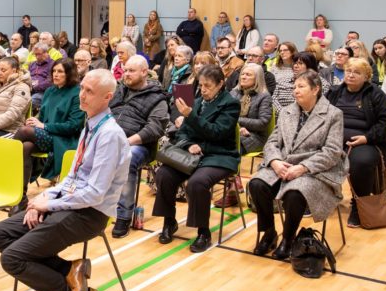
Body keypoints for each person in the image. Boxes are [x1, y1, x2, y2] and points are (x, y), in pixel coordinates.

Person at [0, 69, 130, 291]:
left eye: (90, 91)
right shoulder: (91, 124)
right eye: (82, 88)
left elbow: (94, 194)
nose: (82, 95)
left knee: (13, 259)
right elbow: (73, 176)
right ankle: (71, 271)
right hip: (69, 204)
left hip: (89, 214)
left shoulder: (110, 134)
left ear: (107, 97)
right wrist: (44, 198)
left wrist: (50, 206)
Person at [249, 71, 345, 260]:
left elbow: (332, 152)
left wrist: (302, 168)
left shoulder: (333, 114)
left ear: (316, 89)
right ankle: (269, 233)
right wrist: (275, 162)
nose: (295, 91)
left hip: (315, 170)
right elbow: (272, 142)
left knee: (295, 193)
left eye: (301, 87)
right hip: (283, 165)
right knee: (256, 184)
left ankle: (288, 238)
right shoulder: (287, 111)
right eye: (294, 87)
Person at [153, 65, 240, 252]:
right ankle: (169, 222)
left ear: (220, 84)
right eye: (201, 85)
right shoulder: (198, 102)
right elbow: (182, 133)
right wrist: (188, 145)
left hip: (219, 154)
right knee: (163, 174)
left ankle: (203, 232)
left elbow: (218, 133)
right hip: (192, 154)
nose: (203, 90)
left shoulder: (231, 104)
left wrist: (191, 117)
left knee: (197, 183)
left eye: (208, 85)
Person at [325, 58, 386, 228]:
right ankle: (316, 198)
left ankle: (358, 205)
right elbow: (321, 116)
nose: (351, 75)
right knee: (310, 153)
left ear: (367, 76)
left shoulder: (376, 94)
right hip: (334, 141)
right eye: (348, 71)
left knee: (361, 162)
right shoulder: (334, 92)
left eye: (357, 72)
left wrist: (367, 138)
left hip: (366, 141)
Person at [110, 56, 169, 238]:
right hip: (110, 140)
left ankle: (124, 215)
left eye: (131, 71)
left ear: (144, 72)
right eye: (125, 70)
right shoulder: (118, 90)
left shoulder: (157, 97)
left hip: (139, 145)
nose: (126, 74)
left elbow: (155, 128)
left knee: (128, 157)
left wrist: (127, 142)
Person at [14, 59, 84, 204]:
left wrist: (43, 126)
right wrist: (35, 120)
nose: (55, 74)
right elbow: (43, 116)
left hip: (63, 139)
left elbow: (74, 126)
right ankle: (21, 197)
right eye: (54, 71)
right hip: (45, 136)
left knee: (24, 131)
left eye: (60, 72)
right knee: (25, 147)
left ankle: (6, 166)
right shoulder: (50, 90)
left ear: (69, 74)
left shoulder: (77, 93)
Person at [232, 63, 273, 155]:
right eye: (242, 74)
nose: (243, 77)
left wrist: (237, 123)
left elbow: (262, 123)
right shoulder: (234, 92)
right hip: (232, 131)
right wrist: (238, 128)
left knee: (226, 149)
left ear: (257, 79)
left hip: (254, 137)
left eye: (248, 75)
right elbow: (223, 114)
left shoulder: (264, 96)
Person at [270, 41, 298, 112]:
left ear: (292, 51)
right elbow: (272, 86)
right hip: (275, 102)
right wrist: (281, 110)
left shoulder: (298, 67)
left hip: (294, 103)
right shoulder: (274, 67)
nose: (282, 52)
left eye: (285, 50)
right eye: (280, 51)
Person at [28, 43, 55, 108]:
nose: (37, 57)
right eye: (35, 54)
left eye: (39, 54)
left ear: (46, 53)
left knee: (31, 101)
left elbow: (50, 81)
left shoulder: (52, 64)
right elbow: (27, 77)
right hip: (30, 90)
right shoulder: (32, 64)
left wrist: (36, 85)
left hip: (44, 92)